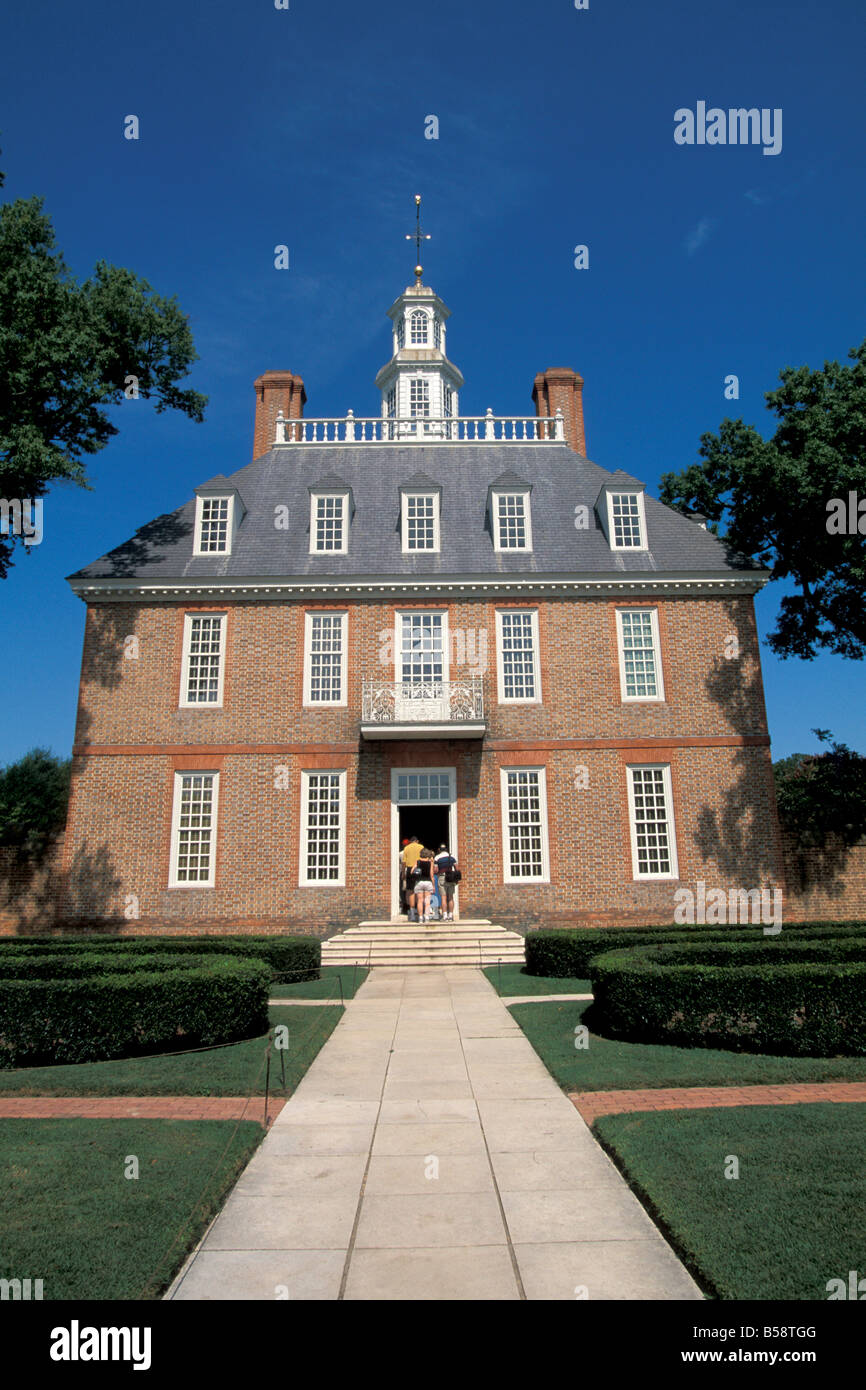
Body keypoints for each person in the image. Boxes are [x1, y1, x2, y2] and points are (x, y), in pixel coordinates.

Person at [434, 843, 460, 921]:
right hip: (451, 878)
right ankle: (451, 915)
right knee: (451, 897)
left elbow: (435, 870)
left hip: (442, 877)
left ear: (439, 850)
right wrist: (456, 879)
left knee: (443, 898)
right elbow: (457, 868)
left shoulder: (437, 857)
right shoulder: (452, 857)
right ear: (446, 849)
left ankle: (444, 916)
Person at [401, 836, 423, 922]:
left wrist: (403, 873)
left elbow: (403, 863)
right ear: (417, 841)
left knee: (410, 891)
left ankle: (412, 913)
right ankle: (420, 912)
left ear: (410, 841)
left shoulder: (406, 848)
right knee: (419, 891)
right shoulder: (421, 847)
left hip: (410, 869)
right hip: (419, 869)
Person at [413, 846, 435, 923]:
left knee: (419, 901)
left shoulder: (417, 861)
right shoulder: (430, 862)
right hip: (428, 882)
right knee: (427, 901)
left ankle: (420, 918)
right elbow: (431, 874)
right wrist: (433, 885)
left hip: (419, 882)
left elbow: (412, 871)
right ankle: (427, 917)